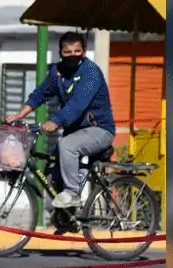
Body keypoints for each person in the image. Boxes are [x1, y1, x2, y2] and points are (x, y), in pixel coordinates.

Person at [6, 31, 115, 209]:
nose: (72, 56)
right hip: (75, 131)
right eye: (68, 52)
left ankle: (72, 194)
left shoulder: (91, 73)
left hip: (99, 130)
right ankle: (69, 216)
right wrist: (20, 115)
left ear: (84, 52)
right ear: (60, 53)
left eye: (77, 51)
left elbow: (77, 104)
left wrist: (55, 121)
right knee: (53, 173)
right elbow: (40, 94)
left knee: (67, 146)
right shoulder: (57, 72)